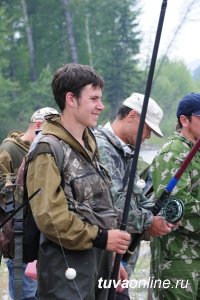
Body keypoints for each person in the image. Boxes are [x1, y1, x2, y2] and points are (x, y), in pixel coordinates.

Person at [25, 63, 131, 300]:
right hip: (66, 271)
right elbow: (50, 218)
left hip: (98, 261)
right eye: (93, 99)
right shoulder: (47, 149)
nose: (101, 106)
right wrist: (102, 238)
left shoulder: (89, 142)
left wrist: (113, 258)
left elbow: (100, 204)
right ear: (71, 99)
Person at [93, 93, 174, 299]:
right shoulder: (103, 148)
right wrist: (149, 222)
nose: (147, 136)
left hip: (119, 262)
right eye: (147, 128)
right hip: (102, 258)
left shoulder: (125, 152)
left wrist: (162, 216)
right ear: (132, 116)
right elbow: (114, 205)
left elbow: (137, 197)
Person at [0, 106, 59, 300]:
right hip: (17, 233)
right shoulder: (10, 149)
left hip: (36, 234)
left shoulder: (44, 151)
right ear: (39, 126)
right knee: (25, 293)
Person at [150, 92, 200, 299]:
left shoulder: (196, 152)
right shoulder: (174, 153)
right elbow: (174, 206)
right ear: (184, 120)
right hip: (178, 258)